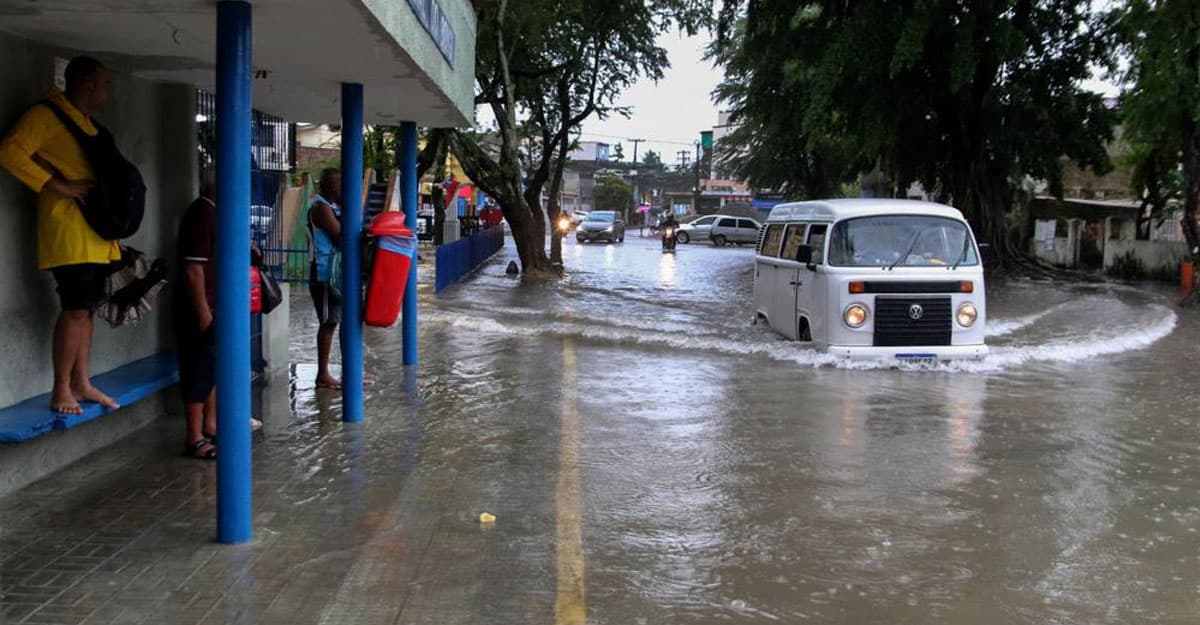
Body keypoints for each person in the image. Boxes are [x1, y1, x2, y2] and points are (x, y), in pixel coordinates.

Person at [0, 56, 121, 415]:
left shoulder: (84, 123)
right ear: (86, 85)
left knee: (87, 312)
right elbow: (8, 151)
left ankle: (82, 382)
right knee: (73, 310)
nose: (108, 91)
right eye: (105, 83)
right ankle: (61, 388)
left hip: (95, 233)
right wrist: (55, 185)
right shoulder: (46, 115)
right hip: (68, 230)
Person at [173, 170, 264, 459]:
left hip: (216, 305)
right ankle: (194, 437)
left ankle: (211, 425)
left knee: (210, 368)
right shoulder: (202, 214)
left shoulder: (214, 215)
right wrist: (203, 312)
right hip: (202, 307)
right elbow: (193, 268)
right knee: (198, 369)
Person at [309, 168, 344, 391]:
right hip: (324, 273)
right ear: (332, 187)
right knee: (328, 321)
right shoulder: (320, 207)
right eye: (341, 186)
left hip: (335, 273)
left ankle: (341, 371)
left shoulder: (332, 207)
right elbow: (340, 236)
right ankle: (323, 373)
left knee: (337, 320)